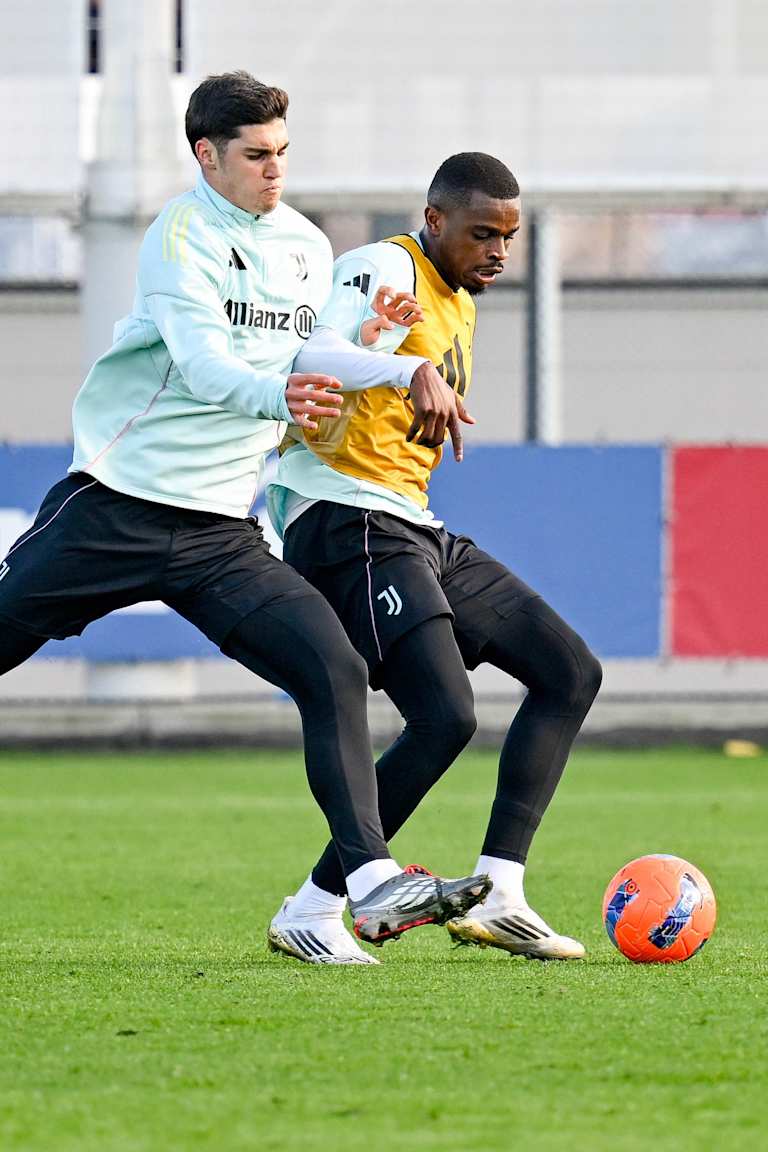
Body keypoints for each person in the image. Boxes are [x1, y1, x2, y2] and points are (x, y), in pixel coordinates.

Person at [0, 74, 492, 957]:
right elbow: (203, 368)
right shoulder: (177, 236)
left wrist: (392, 362)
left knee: (333, 670)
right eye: (257, 155)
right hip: (117, 506)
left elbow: (307, 347)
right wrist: (286, 396)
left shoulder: (304, 244)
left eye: (282, 153)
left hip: (220, 533)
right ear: (207, 156)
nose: (274, 171)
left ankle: (365, 890)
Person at [266, 152, 603, 964]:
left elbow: (380, 374)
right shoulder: (386, 265)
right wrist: (406, 364)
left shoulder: (457, 305)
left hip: (409, 523)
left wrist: (404, 366)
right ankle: (313, 909)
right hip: (345, 521)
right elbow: (308, 355)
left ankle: (501, 891)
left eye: (509, 237)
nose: (497, 250)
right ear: (436, 218)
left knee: (570, 672)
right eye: (483, 232)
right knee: (445, 716)